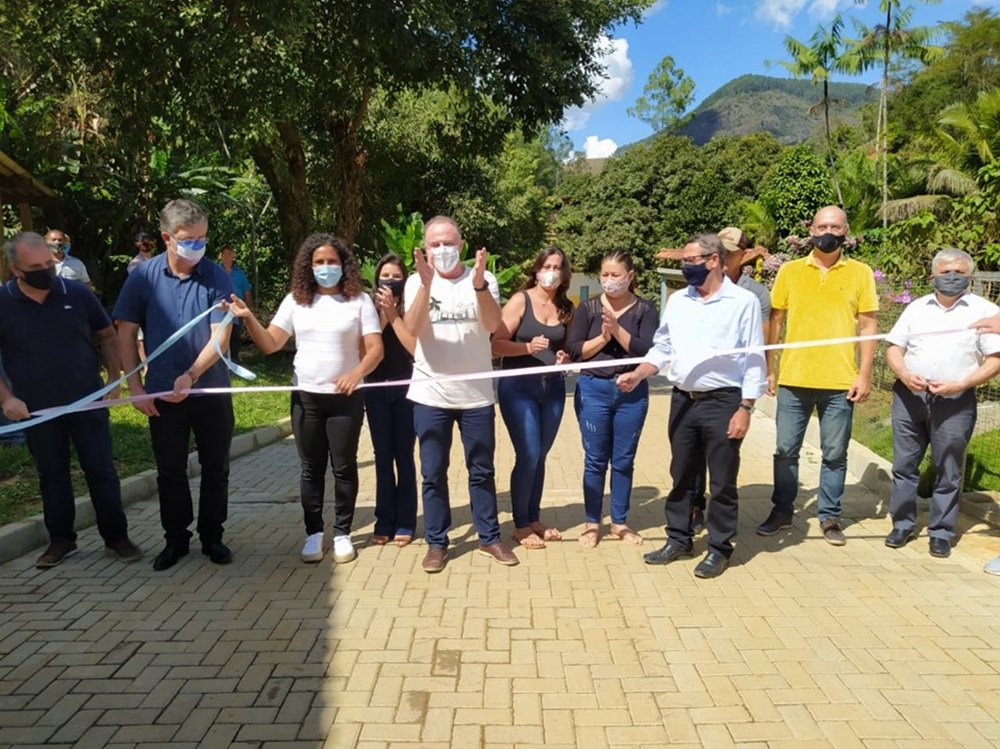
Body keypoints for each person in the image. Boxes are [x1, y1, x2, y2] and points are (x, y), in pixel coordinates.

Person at [228, 234, 382, 564]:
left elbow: (375, 349)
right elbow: (270, 344)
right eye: (319, 262)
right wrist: (248, 317)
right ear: (308, 267)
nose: (326, 267)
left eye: (332, 262)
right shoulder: (295, 301)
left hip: (345, 399)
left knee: (343, 467)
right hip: (306, 399)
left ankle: (342, 533)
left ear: (344, 265)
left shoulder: (359, 301)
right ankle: (313, 533)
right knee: (311, 468)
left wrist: (356, 373)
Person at [618, 234, 765, 578]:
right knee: (682, 475)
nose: (685, 267)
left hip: (724, 402)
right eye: (683, 261)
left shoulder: (742, 302)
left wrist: (745, 407)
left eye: (691, 261)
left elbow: (754, 358)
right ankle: (678, 539)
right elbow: (663, 347)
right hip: (683, 400)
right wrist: (639, 373)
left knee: (723, 481)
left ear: (714, 260)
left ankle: (719, 548)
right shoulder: (679, 301)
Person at [0, 232, 140, 568]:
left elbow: (107, 336)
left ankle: (117, 538)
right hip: (37, 409)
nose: (46, 271)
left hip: (87, 401)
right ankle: (61, 541)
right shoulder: (3, 302)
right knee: (52, 474)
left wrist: (114, 379)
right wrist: (6, 399)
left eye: (48, 264)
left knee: (101, 470)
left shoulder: (76, 293)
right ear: (15, 269)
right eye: (36, 268)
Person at [114, 199, 236, 571]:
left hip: (210, 389)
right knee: (170, 471)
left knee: (216, 467)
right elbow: (125, 333)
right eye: (189, 240)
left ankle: (212, 536)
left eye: (202, 239)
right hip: (162, 394)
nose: (198, 247)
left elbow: (221, 335)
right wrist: (135, 389)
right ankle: (175, 540)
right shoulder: (143, 277)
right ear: (167, 238)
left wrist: (192, 374)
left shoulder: (216, 276)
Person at [757, 205, 879, 545]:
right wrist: (770, 369)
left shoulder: (860, 273)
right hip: (794, 379)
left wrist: (864, 374)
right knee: (785, 449)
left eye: (835, 227)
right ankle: (782, 511)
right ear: (811, 230)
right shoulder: (790, 271)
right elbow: (776, 321)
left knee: (835, 453)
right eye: (822, 226)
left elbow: (868, 326)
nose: (828, 232)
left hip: (840, 381)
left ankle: (830, 516)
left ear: (846, 232)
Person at [404, 215, 517, 572]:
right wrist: (426, 286)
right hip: (430, 394)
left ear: (462, 244)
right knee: (433, 473)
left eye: (449, 243)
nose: (443, 250)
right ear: (425, 248)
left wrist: (480, 286)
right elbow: (412, 328)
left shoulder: (484, 279)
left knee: (481, 470)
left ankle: (489, 538)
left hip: (476, 397)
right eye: (435, 244)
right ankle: (436, 543)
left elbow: (493, 325)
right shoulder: (415, 281)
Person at [884, 248, 1000, 558]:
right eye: (945, 272)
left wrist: (962, 384)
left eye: (959, 272)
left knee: (948, 468)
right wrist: (904, 374)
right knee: (904, 465)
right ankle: (902, 524)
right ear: (932, 275)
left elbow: (995, 359)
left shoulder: (986, 312)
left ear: (970, 276)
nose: (952, 277)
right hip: (909, 398)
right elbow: (894, 348)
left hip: (955, 401)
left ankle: (941, 532)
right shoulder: (916, 308)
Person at [565, 249, 658, 548]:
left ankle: (620, 521)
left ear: (630, 276)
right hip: (593, 389)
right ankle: (592, 523)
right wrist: (604, 337)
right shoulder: (588, 308)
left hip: (631, 393)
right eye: (604, 274)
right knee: (595, 459)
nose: (609, 280)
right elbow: (575, 350)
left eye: (615, 275)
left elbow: (647, 351)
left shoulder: (645, 309)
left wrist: (617, 330)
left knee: (623, 459)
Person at [687, 226, 772, 534]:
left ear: (743, 256)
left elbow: (760, 345)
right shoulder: (695, 289)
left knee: (723, 461)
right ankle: (695, 507)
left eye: (729, 252)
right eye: (718, 251)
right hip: (695, 387)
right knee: (691, 457)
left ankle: (721, 529)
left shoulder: (754, 295)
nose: (722, 257)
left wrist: (751, 396)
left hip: (729, 391)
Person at [492, 246, 574, 549]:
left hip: (552, 390)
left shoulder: (566, 307)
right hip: (518, 390)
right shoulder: (520, 300)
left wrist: (565, 358)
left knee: (540, 454)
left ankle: (534, 517)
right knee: (527, 454)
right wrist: (526, 348)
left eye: (557, 267)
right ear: (536, 270)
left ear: (564, 273)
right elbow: (496, 344)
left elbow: (567, 348)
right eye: (546, 266)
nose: (551, 272)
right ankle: (521, 525)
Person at [366, 254, 418, 547]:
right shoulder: (367, 309)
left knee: (404, 455)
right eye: (385, 276)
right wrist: (383, 315)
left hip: (405, 389)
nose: (390, 281)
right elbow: (366, 349)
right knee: (382, 456)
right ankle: (384, 520)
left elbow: (413, 347)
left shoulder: (411, 309)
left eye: (396, 276)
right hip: (375, 389)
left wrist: (395, 313)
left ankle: (406, 521)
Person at [219, 246, 253, 364]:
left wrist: (248, 309)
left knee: (235, 334)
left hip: (237, 307)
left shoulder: (240, 272)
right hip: (222, 307)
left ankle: (234, 361)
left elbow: (247, 291)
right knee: (222, 333)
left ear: (233, 256)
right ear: (220, 256)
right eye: (224, 253)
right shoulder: (216, 271)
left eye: (229, 253)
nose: (227, 256)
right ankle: (221, 360)